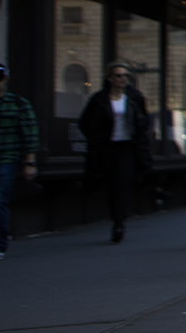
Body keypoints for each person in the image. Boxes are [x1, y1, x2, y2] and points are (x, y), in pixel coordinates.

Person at [78, 62, 152, 244]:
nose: (123, 79)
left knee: (122, 184)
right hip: (107, 147)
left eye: (125, 75)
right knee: (111, 185)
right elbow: (84, 122)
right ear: (110, 78)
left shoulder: (134, 98)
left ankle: (119, 222)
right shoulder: (99, 100)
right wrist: (96, 138)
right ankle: (116, 217)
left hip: (127, 147)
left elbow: (143, 122)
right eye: (119, 75)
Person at [0, 63, 39, 261]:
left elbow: (30, 133)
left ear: (6, 80)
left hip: (6, 158)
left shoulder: (18, 103)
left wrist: (30, 162)